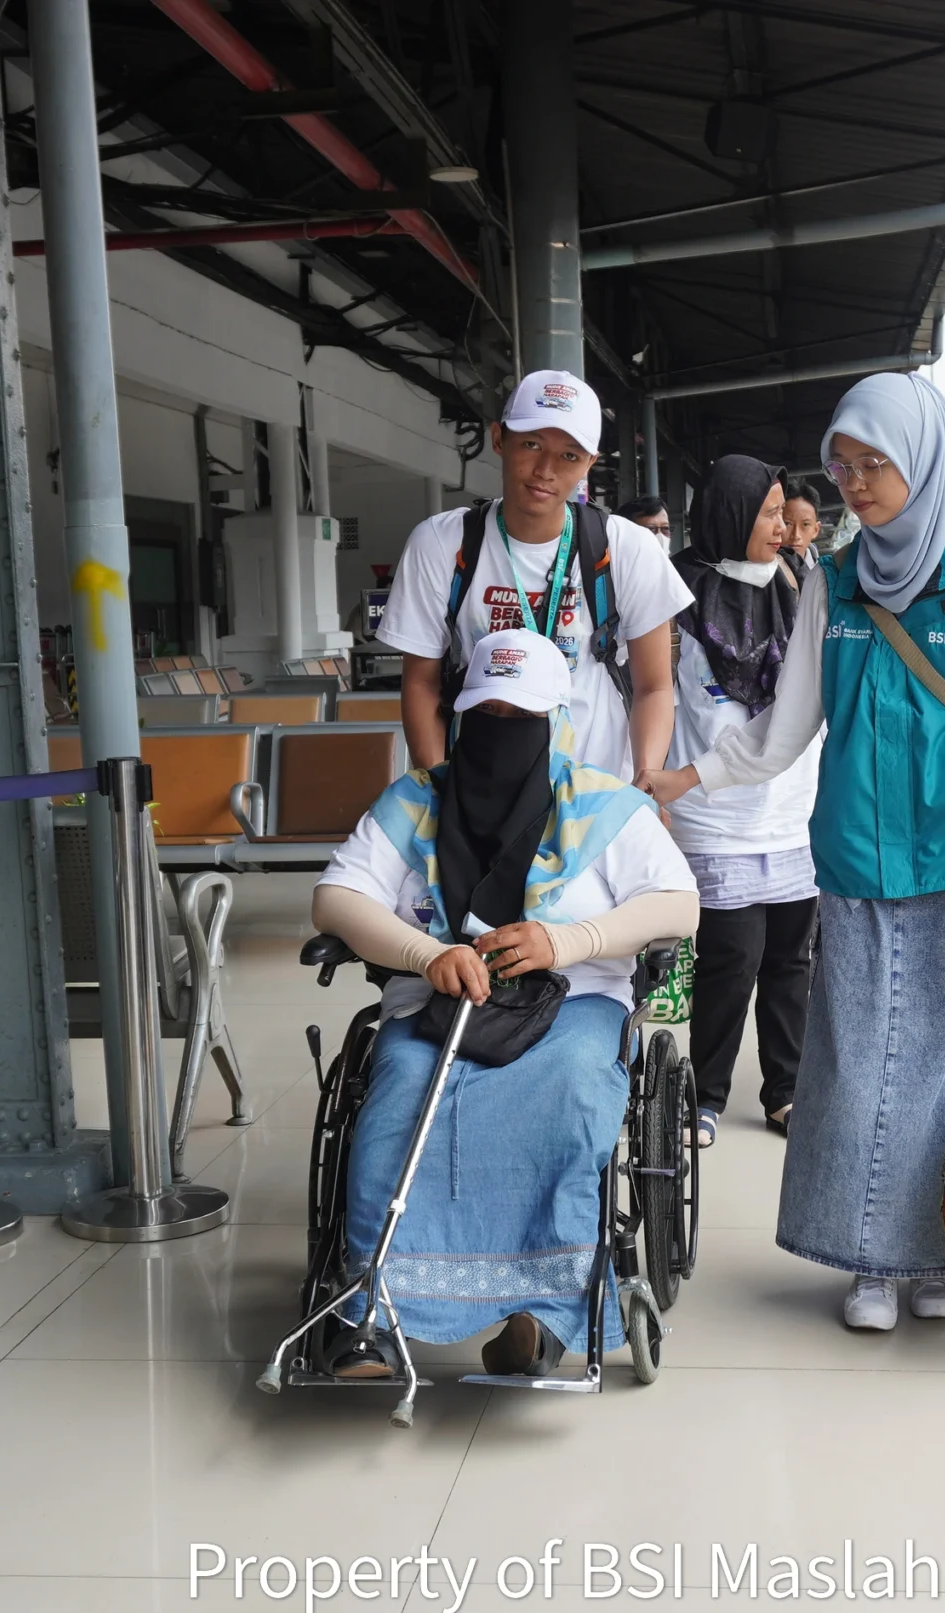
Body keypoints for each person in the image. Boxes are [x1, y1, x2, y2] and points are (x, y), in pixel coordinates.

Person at [642, 373, 945, 1333]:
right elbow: (786, 723)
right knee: (859, 1068)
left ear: (922, 458)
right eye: (843, 464)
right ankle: (868, 1264)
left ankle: (940, 1256)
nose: (853, 482)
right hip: (857, 862)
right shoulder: (835, 582)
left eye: (873, 463)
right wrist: (693, 777)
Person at [310, 629, 700, 1378]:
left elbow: (680, 904)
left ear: (557, 722)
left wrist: (571, 940)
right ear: (459, 719)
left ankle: (540, 1312)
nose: (500, 735)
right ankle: (370, 1315)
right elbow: (336, 897)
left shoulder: (601, 806)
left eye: (520, 720)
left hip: (572, 999)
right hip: (439, 995)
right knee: (400, 1095)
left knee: (574, 1092)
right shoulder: (418, 800)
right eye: (485, 717)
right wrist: (431, 954)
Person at [379, 371, 692, 779]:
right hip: (481, 788)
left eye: (570, 455)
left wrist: (645, 780)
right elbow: (421, 683)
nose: (546, 469)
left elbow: (654, 687)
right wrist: (439, 788)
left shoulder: (627, 548)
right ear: (498, 439)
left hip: (592, 793)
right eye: (531, 444)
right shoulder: (442, 543)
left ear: (589, 465)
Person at [667, 456, 820, 1146]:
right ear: (730, 514)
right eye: (768, 513)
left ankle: (785, 1091)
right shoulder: (674, 593)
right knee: (733, 958)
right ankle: (705, 1092)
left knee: (793, 958)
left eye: (785, 513)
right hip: (711, 808)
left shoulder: (800, 584)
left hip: (793, 807)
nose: (783, 526)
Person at [781, 482, 825, 576]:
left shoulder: (826, 575)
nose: (796, 535)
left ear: (815, 530)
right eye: (788, 524)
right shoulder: (762, 571)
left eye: (805, 524)